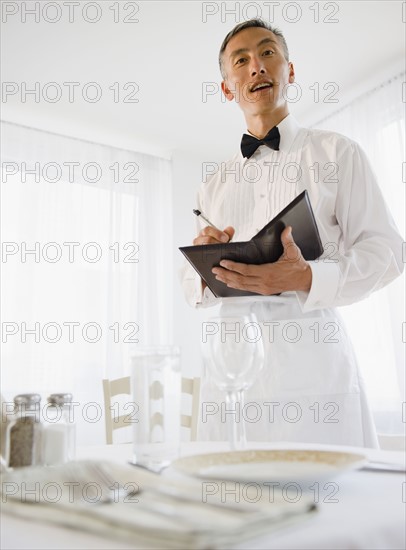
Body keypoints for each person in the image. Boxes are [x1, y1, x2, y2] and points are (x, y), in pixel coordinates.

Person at [180, 19, 403, 447]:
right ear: (228, 88)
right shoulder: (212, 185)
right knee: (231, 502)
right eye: (240, 61)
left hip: (315, 371)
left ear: (290, 70)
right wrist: (202, 263)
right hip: (231, 372)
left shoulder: (339, 153)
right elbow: (194, 291)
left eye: (267, 53)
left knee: (329, 502)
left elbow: (387, 251)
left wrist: (307, 277)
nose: (256, 67)